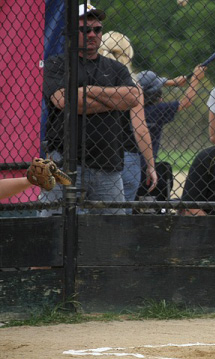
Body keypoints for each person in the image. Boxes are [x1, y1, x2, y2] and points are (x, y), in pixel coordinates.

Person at [40, 4, 141, 215]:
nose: (93, 34)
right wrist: (112, 99)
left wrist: (86, 90)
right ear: (69, 33)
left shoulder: (116, 68)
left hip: (108, 165)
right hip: (65, 162)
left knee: (113, 234)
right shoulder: (56, 64)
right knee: (56, 227)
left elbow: (132, 97)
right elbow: (64, 102)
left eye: (97, 29)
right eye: (85, 30)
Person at [98, 31, 157, 212]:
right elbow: (140, 128)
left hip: (95, 154)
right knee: (119, 216)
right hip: (126, 155)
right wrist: (151, 165)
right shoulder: (132, 84)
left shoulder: (93, 79)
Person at [136, 65, 206, 161]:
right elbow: (186, 102)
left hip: (126, 159)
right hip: (147, 162)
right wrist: (195, 79)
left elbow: (137, 87)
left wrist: (172, 82)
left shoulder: (130, 107)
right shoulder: (158, 110)